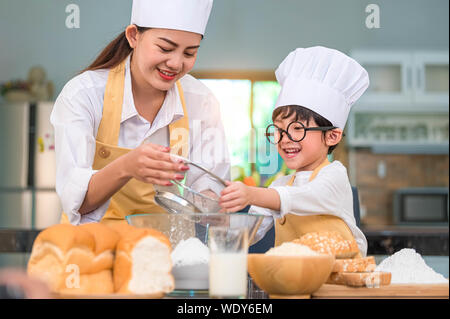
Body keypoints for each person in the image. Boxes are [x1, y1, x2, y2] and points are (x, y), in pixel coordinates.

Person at [51, 0, 230, 225]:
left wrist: (212, 200)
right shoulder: (84, 95)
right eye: (165, 48)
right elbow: (76, 202)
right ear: (134, 36)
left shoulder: (201, 102)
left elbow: (211, 192)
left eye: (189, 53)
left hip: (170, 252)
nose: (175, 63)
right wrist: (127, 166)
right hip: (95, 249)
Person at [219, 46, 369, 257]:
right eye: (278, 130)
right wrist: (220, 219)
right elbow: (248, 232)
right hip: (294, 283)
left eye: (297, 129)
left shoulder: (335, 176)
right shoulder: (280, 185)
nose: (284, 138)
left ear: (332, 136)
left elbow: (304, 197)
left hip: (340, 285)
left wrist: (251, 193)